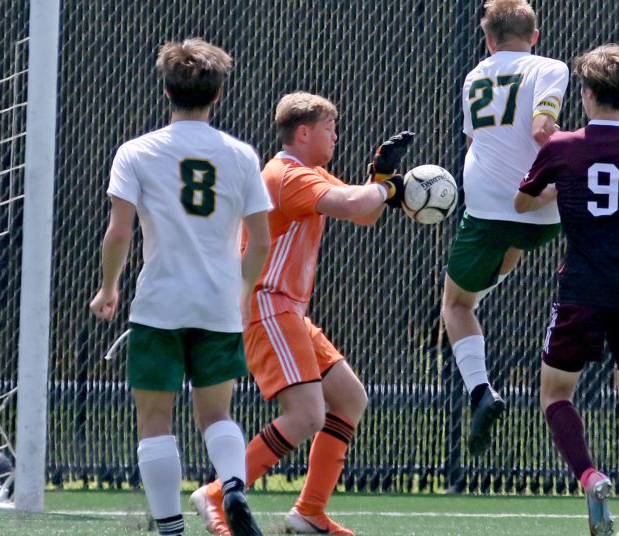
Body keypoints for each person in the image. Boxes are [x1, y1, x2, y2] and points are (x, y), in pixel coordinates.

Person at [189, 92, 414, 535]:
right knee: (307, 415)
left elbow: (362, 213)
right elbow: (354, 204)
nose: (336, 134)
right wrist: (389, 186)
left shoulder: (309, 172)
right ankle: (216, 492)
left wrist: (382, 177)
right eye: (330, 127)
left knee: (349, 398)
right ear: (304, 132)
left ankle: (309, 512)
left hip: (287, 308)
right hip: (268, 303)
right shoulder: (288, 174)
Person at [89, 38, 273, 536]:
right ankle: (233, 484)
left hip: (159, 305)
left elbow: (120, 230)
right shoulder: (240, 155)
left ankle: (170, 527)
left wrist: (109, 288)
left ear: (166, 90)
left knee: (154, 420)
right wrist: (242, 292)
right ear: (217, 96)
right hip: (217, 305)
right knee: (216, 413)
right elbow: (260, 239)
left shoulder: (137, 152)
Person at [514, 44, 619, 536]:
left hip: (580, 290)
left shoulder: (562, 147)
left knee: (555, 393)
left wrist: (561, 190)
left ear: (585, 94)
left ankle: (590, 474)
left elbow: (523, 203)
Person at [441, 0, 569, 456]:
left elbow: (479, 141)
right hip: (543, 214)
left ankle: (481, 392)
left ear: (489, 39)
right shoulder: (550, 66)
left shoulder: (474, 75)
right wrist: (570, 167)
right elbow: (542, 130)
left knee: (456, 305)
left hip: (489, 207)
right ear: (534, 35)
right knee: (512, 248)